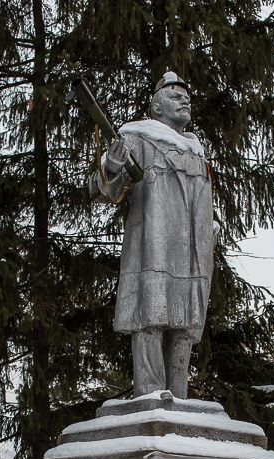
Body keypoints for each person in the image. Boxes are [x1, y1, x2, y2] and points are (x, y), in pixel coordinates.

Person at [90, 72, 218, 399]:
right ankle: (150, 395)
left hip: (193, 252)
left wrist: (210, 226)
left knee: (185, 325)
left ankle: (179, 397)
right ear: (157, 107)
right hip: (154, 247)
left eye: (187, 97)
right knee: (151, 318)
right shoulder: (137, 137)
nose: (185, 101)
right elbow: (102, 189)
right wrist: (113, 167)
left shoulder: (196, 150)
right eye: (176, 96)